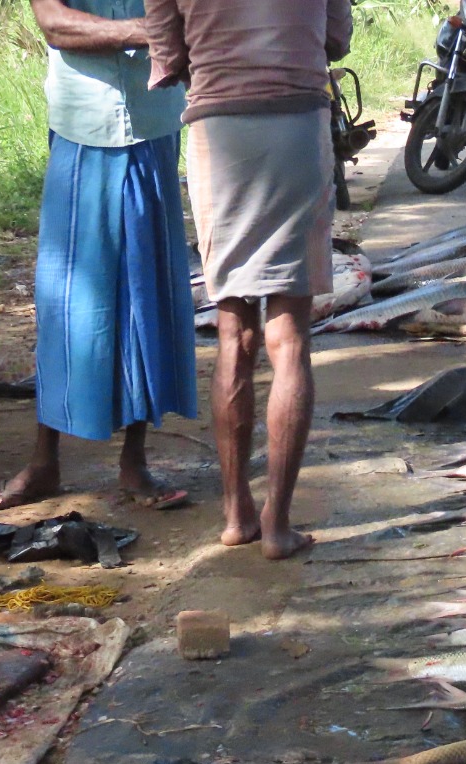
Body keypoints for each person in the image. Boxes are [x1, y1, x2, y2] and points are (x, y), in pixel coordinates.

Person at [0, 0, 198, 512]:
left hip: (153, 123)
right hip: (83, 128)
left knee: (145, 297)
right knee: (68, 300)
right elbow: (55, 24)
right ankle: (44, 461)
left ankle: (134, 462)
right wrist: (150, 30)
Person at [144, 0, 351, 559]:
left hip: (219, 132)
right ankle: (277, 525)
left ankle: (237, 514)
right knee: (291, 339)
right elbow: (335, 39)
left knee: (233, 332)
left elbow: (168, 56)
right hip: (297, 127)